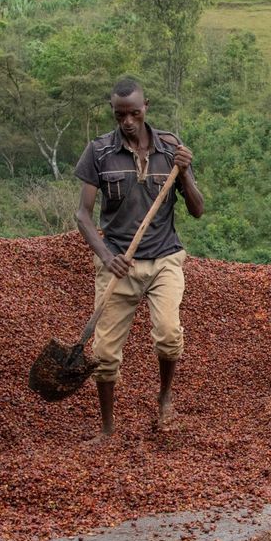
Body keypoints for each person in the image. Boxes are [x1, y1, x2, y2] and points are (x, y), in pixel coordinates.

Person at [72, 78, 204, 437]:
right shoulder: (98, 152)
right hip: (119, 262)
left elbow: (197, 209)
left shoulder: (171, 149)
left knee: (168, 335)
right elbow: (83, 215)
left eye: (133, 113)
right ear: (113, 113)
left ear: (146, 108)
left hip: (164, 259)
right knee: (104, 355)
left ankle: (164, 397)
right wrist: (105, 255)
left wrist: (186, 173)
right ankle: (108, 429)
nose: (127, 121)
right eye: (119, 115)